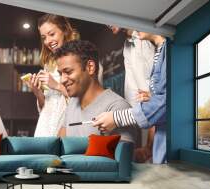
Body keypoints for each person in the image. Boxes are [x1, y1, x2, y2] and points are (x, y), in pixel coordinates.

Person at [92, 32, 167, 164]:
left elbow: (167, 103)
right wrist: (152, 97)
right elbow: (163, 96)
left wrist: (116, 118)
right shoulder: (160, 50)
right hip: (159, 144)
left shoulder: (168, 50)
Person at [55, 40, 135, 143]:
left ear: (90, 67)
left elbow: (122, 157)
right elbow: (58, 147)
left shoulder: (117, 107)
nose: (62, 80)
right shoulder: (72, 104)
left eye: (68, 72)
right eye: (60, 74)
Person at [24, 14, 79, 137]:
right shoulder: (48, 65)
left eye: (52, 34)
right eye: (44, 37)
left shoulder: (80, 59)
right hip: (45, 129)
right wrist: (37, 92)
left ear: (64, 30)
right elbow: (46, 106)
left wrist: (56, 85)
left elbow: (85, 101)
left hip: (66, 128)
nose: (48, 41)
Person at [108, 26, 155, 162]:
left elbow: (160, 97)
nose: (106, 23)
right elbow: (133, 97)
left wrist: (149, 147)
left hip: (160, 126)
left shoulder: (147, 39)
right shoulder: (127, 46)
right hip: (144, 126)